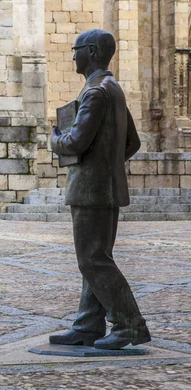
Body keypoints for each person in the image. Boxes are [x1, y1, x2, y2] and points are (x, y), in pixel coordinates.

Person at [49, 29, 151, 350]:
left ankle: (128, 324)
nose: (72, 56)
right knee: (95, 258)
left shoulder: (95, 92)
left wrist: (54, 140)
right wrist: (108, 163)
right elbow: (133, 142)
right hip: (106, 189)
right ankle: (87, 325)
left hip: (91, 190)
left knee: (93, 260)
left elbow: (76, 140)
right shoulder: (113, 88)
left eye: (75, 49)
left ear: (91, 51)